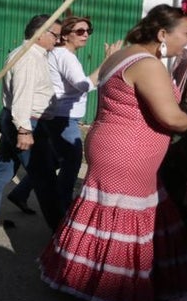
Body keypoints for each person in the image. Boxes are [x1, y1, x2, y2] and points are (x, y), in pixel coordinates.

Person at [39, 3, 187, 301]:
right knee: (124, 217)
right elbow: (171, 118)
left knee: (108, 211)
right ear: (163, 33)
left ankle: (84, 276)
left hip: (115, 145)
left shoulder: (126, 54)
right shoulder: (148, 64)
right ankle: (108, 289)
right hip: (128, 152)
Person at [7, 16, 121, 216]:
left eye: (88, 31)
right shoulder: (65, 55)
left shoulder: (59, 53)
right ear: (65, 35)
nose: (85, 35)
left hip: (60, 115)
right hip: (63, 117)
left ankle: (21, 192)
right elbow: (83, 85)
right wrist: (107, 62)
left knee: (52, 161)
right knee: (71, 161)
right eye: (79, 31)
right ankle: (63, 208)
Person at [0, 15, 63, 229]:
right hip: (26, 121)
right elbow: (23, 95)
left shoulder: (33, 54)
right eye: (55, 35)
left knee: (5, 166)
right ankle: (60, 232)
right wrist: (24, 130)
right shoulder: (28, 57)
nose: (57, 41)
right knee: (45, 177)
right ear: (40, 34)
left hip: (18, 119)